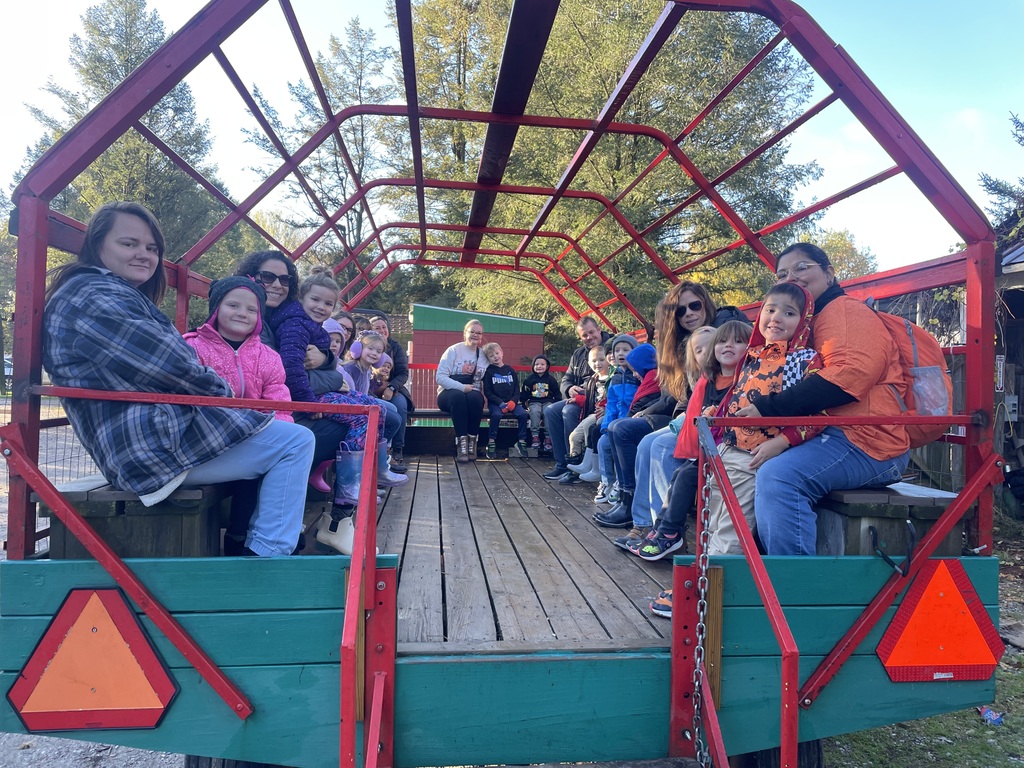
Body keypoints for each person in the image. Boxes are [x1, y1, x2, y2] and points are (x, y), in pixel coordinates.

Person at [43, 202, 315, 557]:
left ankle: (261, 544)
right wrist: (225, 394)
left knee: (289, 437)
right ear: (97, 245)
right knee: (296, 442)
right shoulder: (92, 296)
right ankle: (267, 558)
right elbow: (174, 365)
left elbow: (173, 363)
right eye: (129, 244)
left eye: (152, 248)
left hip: (159, 434)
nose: (143, 254)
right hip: (149, 447)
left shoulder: (108, 293)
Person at [740, 243, 910, 556]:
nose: (791, 277)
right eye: (782, 274)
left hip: (868, 441)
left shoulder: (844, 311)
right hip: (832, 434)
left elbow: (848, 377)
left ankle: (792, 592)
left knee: (780, 477)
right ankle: (740, 562)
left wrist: (767, 409)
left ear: (829, 274)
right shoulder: (805, 323)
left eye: (802, 268)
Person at [706, 282, 823, 555]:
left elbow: (818, 414)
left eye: (790, 313)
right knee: (712, 517)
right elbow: (737, 394)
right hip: (728, 447)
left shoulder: (804, 360)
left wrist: (783, 441)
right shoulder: (752, 355)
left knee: (733, 527)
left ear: (804, 321)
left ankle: (714, 589)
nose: (777, 318)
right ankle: (705, 580)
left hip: (757, 455)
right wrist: (718, 413)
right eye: (770, 309)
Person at [233, 251, 350, 479]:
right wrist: (330, 380)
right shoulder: (280, 323)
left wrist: (326, 358)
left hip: (284, 405)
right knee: (353, 424)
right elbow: (285, 372)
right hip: (266, 412)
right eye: (267, 277)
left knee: (376, 415)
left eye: (284, 279)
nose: (277, 285)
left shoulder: (283, 317)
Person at [542, 317, 612, 480]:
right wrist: (569, 388)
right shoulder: (579, 354)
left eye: (591, 332)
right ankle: (562, 463)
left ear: (598, 329)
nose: (589, 337)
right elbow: (567, 379)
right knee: (551, 410)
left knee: (569, 411)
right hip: (579, 396)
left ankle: (575, 465)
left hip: (598, 398)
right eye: (584, 335)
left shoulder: (612, 347)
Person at [436, 319, 487, 463]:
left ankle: (472, 442)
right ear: (465, 333)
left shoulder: (483, 355)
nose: (475, 335)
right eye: (472, 332)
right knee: (459, 397)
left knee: (476, 399)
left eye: (479, 333)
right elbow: (440, 377)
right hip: (448, 393)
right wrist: (462, 387)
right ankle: (461, 444)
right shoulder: (453, 351)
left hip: (472, 393)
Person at [368, 314, 413, 470]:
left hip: (393, 389)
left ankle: (397, 449)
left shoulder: (395, 347)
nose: (382, 330)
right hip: (370, 388)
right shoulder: (365, 347)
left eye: (384, 327)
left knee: (400, 405)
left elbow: (403, 373)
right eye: (377, 328)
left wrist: (391, 387)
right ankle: (379, 449)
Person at [481, 342, 529, 458]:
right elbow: (487, 392)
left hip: (512, 402)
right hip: (496, 403)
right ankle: (491, 442)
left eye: (497, 353)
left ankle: (521, 441)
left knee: (523, 414)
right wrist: (500, 403)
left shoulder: (510, 370)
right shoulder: (489, 372)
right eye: (491, 356)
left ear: (501, 352)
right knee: (496, 416)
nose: (495, 357)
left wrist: (513, 401)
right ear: (488, 359)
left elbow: (517, 388)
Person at [520, 354, 560, 449]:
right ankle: (535, 436)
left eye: (542, 364)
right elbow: (524, 393)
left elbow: (557, 392)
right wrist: (523, 405)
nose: (539, 366)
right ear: (533, 366)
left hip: (548, 401)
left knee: (548, 412)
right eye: (537, 364)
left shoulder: (551, 379)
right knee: (534, 412)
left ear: (547, 366)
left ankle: (548, 437)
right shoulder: (529, 379)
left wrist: (557, 404)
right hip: (534, 402)